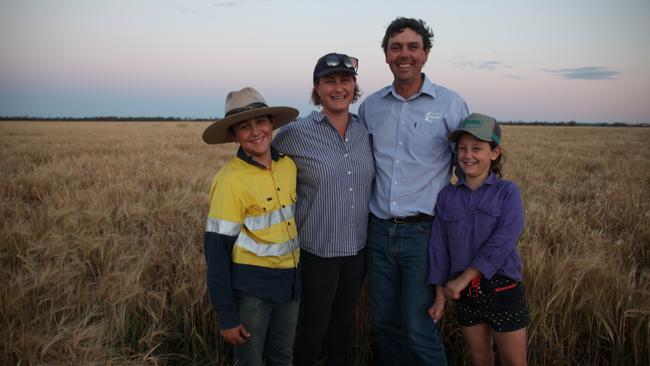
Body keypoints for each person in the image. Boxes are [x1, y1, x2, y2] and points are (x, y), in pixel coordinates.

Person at [358, 17, 469, 365]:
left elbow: (466, 171)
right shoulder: (370, 107)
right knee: (386, 325)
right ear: (386, 55)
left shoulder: (450, 104)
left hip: (424, 234)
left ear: (426, 54)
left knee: (420, 329)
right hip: (377, 232)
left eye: (412, 47)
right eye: (396, 47)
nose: (404, 54)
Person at [273, 52, 375, 366]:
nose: (338, 87)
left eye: (345, 80)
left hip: (357, 249)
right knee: (312, 329)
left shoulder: (364, 131)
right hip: (317, 250)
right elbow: (259, 158)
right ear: (317, 88)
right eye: (329, 81)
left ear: (354, 86)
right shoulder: (296, 133)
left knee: (344, 326)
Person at [202, 87, 301, 366]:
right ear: (234, 135)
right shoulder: (230, 181)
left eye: (260, 122)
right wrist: (227, 316)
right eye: (244, 127)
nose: (255, 131)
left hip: (290, 287)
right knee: (250, 361)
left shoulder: (288, 167)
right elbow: (216, 252)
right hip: (251, 292)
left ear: (272, 124)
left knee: (283, 357)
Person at [428, 113, 529, 366]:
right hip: (466, 296)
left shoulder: (508, 193)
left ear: (495, 153)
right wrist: (440, 295)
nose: (468, 155)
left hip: (503, 290)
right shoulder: (446, 197)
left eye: (477, 148)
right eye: (462, 149)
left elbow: (503, 241)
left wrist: (462, 280)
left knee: (514, 361)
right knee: (480, 358)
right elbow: (439, 250)